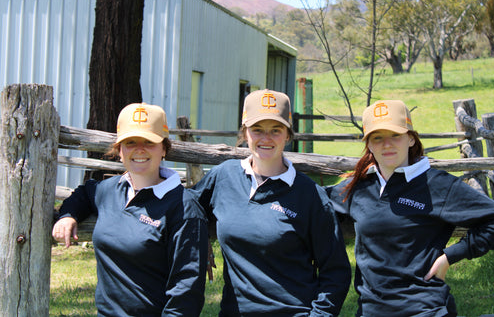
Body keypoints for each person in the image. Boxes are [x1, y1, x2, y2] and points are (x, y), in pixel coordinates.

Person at [327, 99, 494, 317]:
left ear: (410, 138)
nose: (386, 144)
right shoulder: (358, 188)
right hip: (371, 310)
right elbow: (312, 202)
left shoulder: (436, 185)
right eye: (377, 138)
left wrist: (451, 256)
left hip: (425, 308)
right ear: (369, 144)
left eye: (395, 135)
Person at [191, 89, 351, 316]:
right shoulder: (224, 177)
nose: (265, 138)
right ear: (245, 133)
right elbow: (186, 206)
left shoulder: (309, 195)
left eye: (275, 130)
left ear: (287, 135)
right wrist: (199, 237)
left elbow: (336, 271)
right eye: (257, 130)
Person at [52, 102, 208, 316]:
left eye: (149, 142)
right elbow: (86, 192)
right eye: (130, 142)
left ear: (164, 148)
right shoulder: (111, 190)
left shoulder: (183, 207)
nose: (139, 149)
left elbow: (186, 293)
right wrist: (68, 216)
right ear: (119, 150)